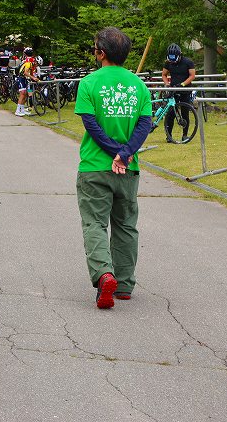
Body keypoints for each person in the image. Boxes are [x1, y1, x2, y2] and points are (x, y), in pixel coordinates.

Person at [74, 26, 152, 309]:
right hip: (128, 169)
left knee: (94, 222)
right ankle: (125, 283)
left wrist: (113, 153)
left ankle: (104, 274)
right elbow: (145, 124)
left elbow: (90, 124)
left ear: (101, 53)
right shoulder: (139, 85)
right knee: (126, 225)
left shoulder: (89, 83)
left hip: (95, 166)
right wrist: (126, 153)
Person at [160, 43, 196, 143]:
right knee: (171, 113)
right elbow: (164, 74)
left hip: (185, 90)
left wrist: (183, 84)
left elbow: (192, 76)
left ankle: (185, 135)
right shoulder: (168, 63)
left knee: (185, 113)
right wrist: (167, 84)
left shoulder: (188, 62)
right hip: (173, 90)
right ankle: (169, 135)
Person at [14, 47, 39, 116]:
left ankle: (22, 110)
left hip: (24, 78)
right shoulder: (29, 63)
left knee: (25, 94)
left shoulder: (30, 62)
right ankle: (18, 110)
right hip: (21, 78)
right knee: (22, 93)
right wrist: (33, 78)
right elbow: (25, 72)